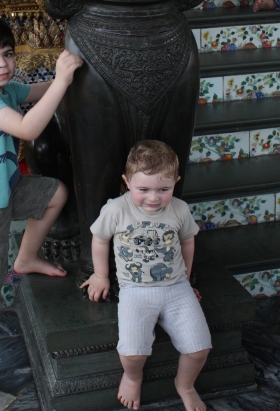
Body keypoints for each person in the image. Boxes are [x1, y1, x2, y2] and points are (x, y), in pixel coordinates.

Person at [0, 15, 83, 394]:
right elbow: (28, 129)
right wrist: (62, 80)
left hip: (3, 192)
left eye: (7, 54)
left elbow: (40, 91)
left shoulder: (4, 88)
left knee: (55, 193)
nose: (2, 64)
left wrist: (73, 74)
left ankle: (25, 258)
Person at [81, 140, 211, 411]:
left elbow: (187, 242)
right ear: (127, 181)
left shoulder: (179, 209)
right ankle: (132, 377)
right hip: (135, 290)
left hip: (176, 287)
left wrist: (186, 279)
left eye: (163, 189)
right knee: (132, 353)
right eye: (143, 189)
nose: (153, 198)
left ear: (175, 182)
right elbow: (100, 239)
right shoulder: (116, 210)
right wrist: (101, 275)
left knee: (199, 349)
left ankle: (185, 385)